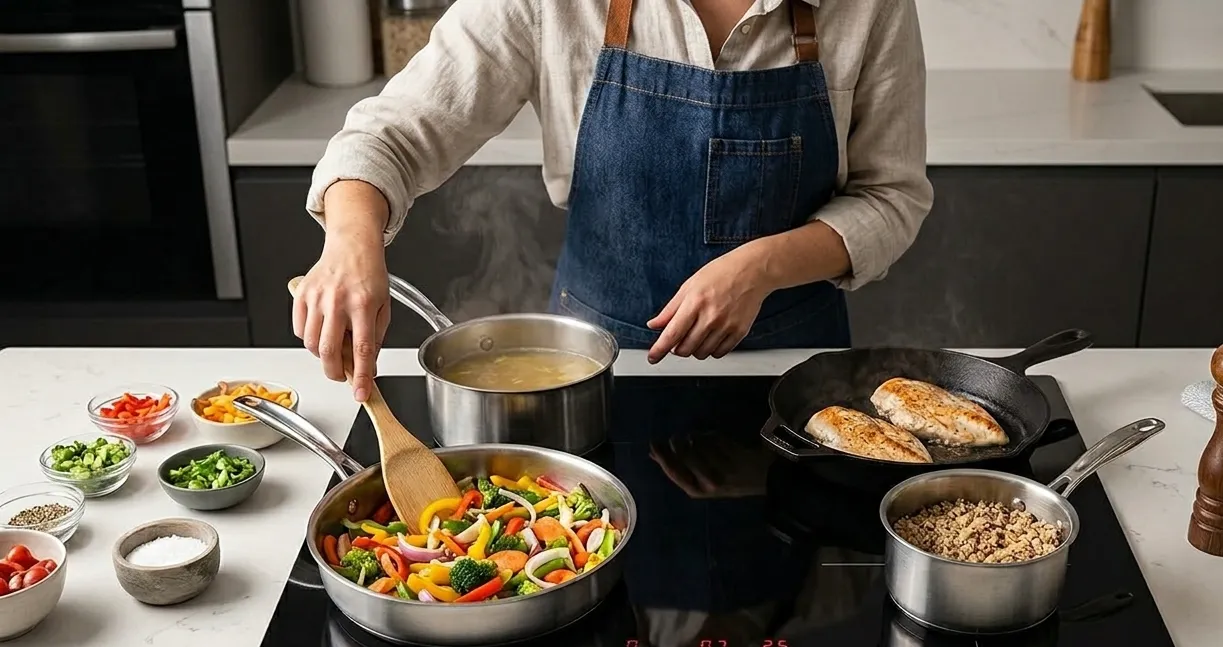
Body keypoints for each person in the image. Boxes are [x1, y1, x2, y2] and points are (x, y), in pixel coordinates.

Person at [294, 0, 933, 402]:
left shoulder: (869, 7)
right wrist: (351, 240)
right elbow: (391, 135)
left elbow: (891, 195)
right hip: (589, 378)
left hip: (795, 382)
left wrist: (762, 267)